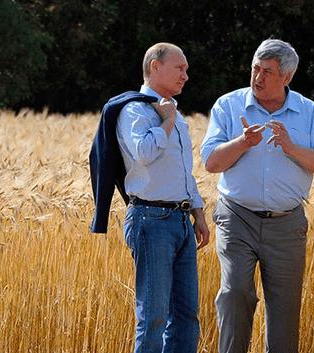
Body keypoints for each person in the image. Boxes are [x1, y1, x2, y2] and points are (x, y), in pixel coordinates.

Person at [200, 39, 314, 353]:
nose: (258, 77)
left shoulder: (309, 113)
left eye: (268, 71)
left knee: (285, 307)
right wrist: (241, 143)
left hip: (287, 224)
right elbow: (211, 162)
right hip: (236, 218)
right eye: (255, 68)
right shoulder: (228, 106)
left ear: (287, 78)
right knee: (235, 292)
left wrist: (291, 148)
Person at [90, 42, 210, 353]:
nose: (186, 75)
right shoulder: (135, 110)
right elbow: (143, 153)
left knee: (187, 316)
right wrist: (167, 122)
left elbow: (183, 171)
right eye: (179, 68)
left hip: (181, 221)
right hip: (151, 220)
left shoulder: (174, 112)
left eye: (186, 69)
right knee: (154, 317)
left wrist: (198, 212)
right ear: (155, 67)